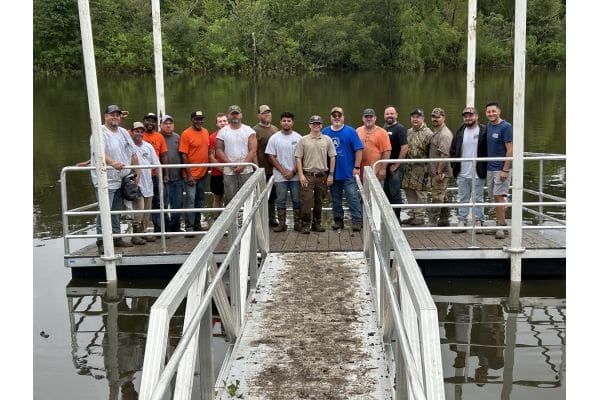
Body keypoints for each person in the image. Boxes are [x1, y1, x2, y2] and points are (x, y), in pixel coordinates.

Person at [90, 104, 139, 251]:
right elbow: (99, 153)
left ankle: (117, 238)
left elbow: (132, 152)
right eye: (112, 114)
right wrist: (112, 163)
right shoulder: (99, 132)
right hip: (106, 179)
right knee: (104, 210)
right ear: (106, 116)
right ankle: (101, 241)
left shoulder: (123, 132)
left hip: (122, 178)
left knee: (116, 210)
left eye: (117, 115)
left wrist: (136, 172)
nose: (115, 117)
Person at [322, 106, 364, 231]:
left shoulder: (351, 131)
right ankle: (338, 221)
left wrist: (357, 167)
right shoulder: (325, 132)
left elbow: (359, 150)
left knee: (352, 198)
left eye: (339, 115)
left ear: (343, 117)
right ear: (330, 118)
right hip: (332, 173)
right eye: (334, 116)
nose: (337, 118)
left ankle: (357, 221)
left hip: (348, 172)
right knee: (335, 199)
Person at [295, 115, 336, 234]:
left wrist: (331, 174)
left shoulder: (327, 139)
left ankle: (316, 224)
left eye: (318, 124)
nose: (316, 126)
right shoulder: (303, 140)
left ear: (321, 125)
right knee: (306, 201)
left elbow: (332, 157)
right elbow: (298, 158)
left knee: (319, 201)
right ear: (309, 125)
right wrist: (301, 175)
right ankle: (305, 224)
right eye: (313, 124)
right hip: (307, 175)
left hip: (322, 175)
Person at [450, 106, 488, 233]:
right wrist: (453, 165)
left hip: (478, 171)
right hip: (462, 172)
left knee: (478, 198)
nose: (468, 118)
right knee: (463, 197)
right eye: (465, 116)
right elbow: (453, 149)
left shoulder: (483, 131)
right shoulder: (460, 131)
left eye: (470, 115)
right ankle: (462, 220)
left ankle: (478, 221)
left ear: (476, 116)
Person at [265, 111, 302, 232]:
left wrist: (293, 171)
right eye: (284, 121)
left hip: (295, 176)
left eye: (289, 121)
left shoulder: (299, 138)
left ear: (293, 122)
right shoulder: (274, 138)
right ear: (280, 122)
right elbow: (270, 156)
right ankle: (282, 224)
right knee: (281, 200)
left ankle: (297, 223)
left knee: (297, 199)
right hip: (280, 176)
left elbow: (302, 157)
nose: (286, 123)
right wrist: (283, 171)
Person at [216, 105, 258, 204]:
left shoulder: (249, 130)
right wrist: (230, 164)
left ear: (241, 115)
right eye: (232, 114)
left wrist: (242, 165)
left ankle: (248, 218)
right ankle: (233, 219)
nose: (235, 116)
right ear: (228, 116)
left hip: (246, 169)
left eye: (237, 114)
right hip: (229, 170)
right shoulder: (222, 132)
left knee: (248, 197)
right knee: (230, 199)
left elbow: (253, 150)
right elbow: (219, 150)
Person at [485, 101, 513, 239]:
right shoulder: (489, 126)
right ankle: (500, 223)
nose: (491, 114)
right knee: (495, 198)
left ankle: (501, 228)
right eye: (489, 112)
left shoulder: (506, 127)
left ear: (499, 111)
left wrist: (505, 169)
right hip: (490, 168)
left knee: (499, 196)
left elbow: (510, 149)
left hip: (501, 168)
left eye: (493, 111)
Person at [180, 110, 210, 236]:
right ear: (192, 120)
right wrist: (189, 174)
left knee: (200, 199)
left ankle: (197, 224)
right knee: (190, 200)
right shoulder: (186, 134)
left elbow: (206, 150)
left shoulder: (206, 131)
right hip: (190, 175)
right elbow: (183, 154)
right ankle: (189, 226)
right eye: (197, 119)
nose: (199, 121)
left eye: (201, 119)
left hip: (203, 174)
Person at [130, 121, 160, 244]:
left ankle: (144, 232)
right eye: (137, 131)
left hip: (148, 182)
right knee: (139, 209)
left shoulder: (148, 146)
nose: (139, 133)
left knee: (147, 210)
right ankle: (136, 235)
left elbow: (156, 163)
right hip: (135, 183)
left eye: (141, 131)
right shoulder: (128, 146)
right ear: (131, 132)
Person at [401, 108, 432, 226]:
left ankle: (420, 217)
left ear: (422, 118)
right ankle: (413, 215)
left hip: (422, 169)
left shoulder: (428, 133)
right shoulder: (409, 131)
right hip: (409, 168)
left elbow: (432, 153)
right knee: (409, 191)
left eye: (418, 117)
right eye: (413, 117)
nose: (415, 119)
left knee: (421, 193)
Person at [141, 112, 168, 234]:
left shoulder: (159, 137)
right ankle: (140, 230)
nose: (150, 123)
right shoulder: (135, 133)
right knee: (141, 204)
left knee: (157, 202)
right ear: (143, 121)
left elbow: (164, 156)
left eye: (153, 121)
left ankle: (158, 230)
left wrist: (165, 174)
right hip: (140, 176)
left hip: (155, 175)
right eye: (148, 120)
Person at [253, 104, 280, 227]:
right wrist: (257, 168)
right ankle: (260, 221)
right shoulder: (255, 130)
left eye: (268, 112)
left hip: (274, 169)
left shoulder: (275, 129)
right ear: (259, 115)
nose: (267, 114)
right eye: (264, 113)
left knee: (272, 196)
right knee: (260, 196)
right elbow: (253, 151)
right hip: (261, 169)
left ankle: (272, 218)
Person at [382, 106, 409, 219]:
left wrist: (396, 164)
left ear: (396, 115)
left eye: (392, 113)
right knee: (386, 192)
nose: (389, 116)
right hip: (385, 166)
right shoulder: (383, 128)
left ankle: (397, 219)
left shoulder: (400, 128)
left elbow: (405, 147)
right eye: (387, 113)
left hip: (395, 167)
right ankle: (389, 218)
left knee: (395, 192)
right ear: (384, 115)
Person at [428, 107, 453, 227]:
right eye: (433, 116)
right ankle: (444, 219)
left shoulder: (444, 134)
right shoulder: (437, 131)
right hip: (437, 171)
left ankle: (432, 222)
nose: (435, 119)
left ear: (444, 118)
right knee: (443, 195)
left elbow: (445, 155)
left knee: (437, 196)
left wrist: (439, 172)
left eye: (438, 117)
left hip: (441, 172)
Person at [159, 114, 184, 233]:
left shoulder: (177, 137)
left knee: (177, 203)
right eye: (165, 123)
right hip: (162, 177)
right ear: (161, 125)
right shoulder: (158, 137)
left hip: (177, 176)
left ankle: (176, 226)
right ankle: (166, 227)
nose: (168, 126)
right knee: (163, 203)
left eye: (170, 123)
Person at [356, 108, 391, 183]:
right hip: (361, 171)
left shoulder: (382, 132)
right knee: (362, 194)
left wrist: (383, 169)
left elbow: (387, 152)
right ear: (363, 118)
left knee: (375, 193)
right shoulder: (357, 131)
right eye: (366, 117)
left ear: (375, 118)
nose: (369, 119)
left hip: (376, 172)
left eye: (371, 117)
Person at [208, 113, 228, 219]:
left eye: (224, 121)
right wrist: (221, 168)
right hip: (217, 173)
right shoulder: (212, 137)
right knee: (217, 198)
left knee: (230, 198)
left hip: (231, 173)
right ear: (216, 124)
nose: (223, 123)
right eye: (220, 121)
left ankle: (229, 221)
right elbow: (211, 156)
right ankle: (216, 220)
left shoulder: (232, 135)